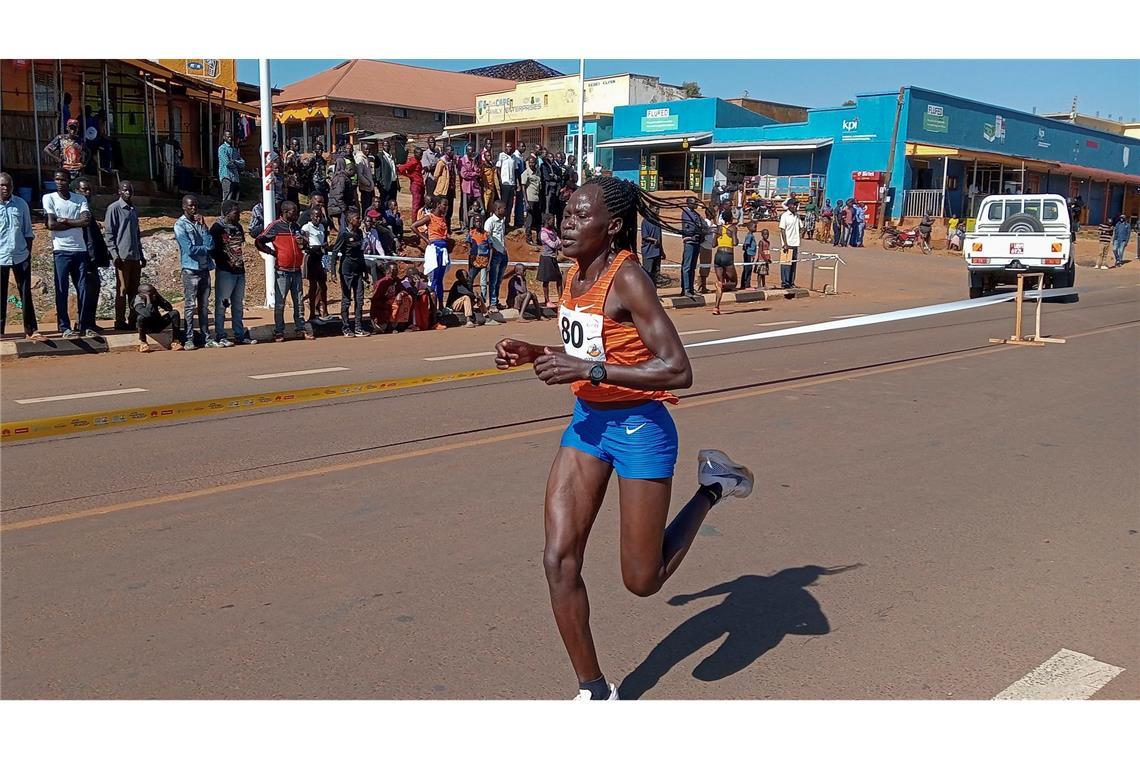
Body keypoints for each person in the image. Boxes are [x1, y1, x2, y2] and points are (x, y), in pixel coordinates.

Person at [493, 176, 754, 701]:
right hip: (589, 424)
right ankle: (594, 691)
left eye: (579, 215)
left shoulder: (628, 277)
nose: (566, 222)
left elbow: (678, 370)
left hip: (640, 428)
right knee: (557, 559)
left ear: (610, 226)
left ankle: (714, 488)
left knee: (643, 579)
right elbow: (593, 349)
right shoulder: (573, 275)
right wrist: (535, 351)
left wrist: (588, 370)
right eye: (565, 212)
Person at [44, 170, 94, 338]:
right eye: (57, 179)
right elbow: (51, 224)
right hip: (61, 250)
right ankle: (64, 326)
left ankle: (85, 325)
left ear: (68, 181)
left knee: (83, 289)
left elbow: (86, 221)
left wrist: (64, 221)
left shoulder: (79, 199)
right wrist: (75, 223)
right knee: (61, 289)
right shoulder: (49, 198)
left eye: (63, 179)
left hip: (80, 250)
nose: (59, 182)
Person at [256, 200, 313, 342]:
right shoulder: (275, 226)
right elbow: (259, 240)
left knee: (299, 302)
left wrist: (303, 242)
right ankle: (279, 330)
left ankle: (300, 328)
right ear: (286, 212)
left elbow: (305, 244)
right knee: (280, 302)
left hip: (296, 270)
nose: (296, 214)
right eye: (294, 212)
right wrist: (271, 252)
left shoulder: (296, 226)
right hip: (282, 271)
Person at [0, 172, 44, 341]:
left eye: (8, 185)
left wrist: (28, 254)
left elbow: (28, 231)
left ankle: (31, 330)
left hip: (20, 255)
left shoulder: (21, 204)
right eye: (2, 185)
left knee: (25, 293)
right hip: (1, 256)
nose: (5, 188)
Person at [172, 194, 216, 349]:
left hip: (204, 269)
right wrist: (205, 248)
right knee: (190, 305)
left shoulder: (199, 223)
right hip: (191, 269)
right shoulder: (180, 225)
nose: (193, 208)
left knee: (204, 306)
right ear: (183, 206)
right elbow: (189, 249)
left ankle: (206, 337)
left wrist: (204, 227)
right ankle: (189, 338)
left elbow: (211, 244)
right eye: (190, 205)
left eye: (195, 205)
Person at [209, 200, 253, 346]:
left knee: (238, 304)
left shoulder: (238, 227)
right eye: (236, 212)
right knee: (222, 304)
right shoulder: (217, 228)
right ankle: (220, 335)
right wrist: (225, 262)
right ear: (227, 212)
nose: (239, 215)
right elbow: (212, 250)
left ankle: (239, 334)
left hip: (240, 270)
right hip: (225, 272)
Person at [104, 181, 144, 331]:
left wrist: (141, 254)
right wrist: (114, 254)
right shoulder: (114, 208)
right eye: (125, 190)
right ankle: (119, 321)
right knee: (122, 289)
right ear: (119, 191)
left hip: (135, 256)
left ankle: (133, 320)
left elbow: (137, 234)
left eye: (130, 190)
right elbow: (109, 234)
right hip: (122, 257)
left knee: (135, 291)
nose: (128, 193)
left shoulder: (133, 209)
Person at [76, 179, 110, 333]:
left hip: (93, 259)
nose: (87, 193)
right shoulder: (78, 211)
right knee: (86, 291)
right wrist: (90, 258)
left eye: (89, 189)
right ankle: (84, 324)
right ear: (77, 191)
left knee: (94, 289)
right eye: (84, 190)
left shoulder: (88, 210)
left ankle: (90, 322)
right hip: (85, 259)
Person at [332, 209, 368, 337]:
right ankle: (346, 327)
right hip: (346, 270)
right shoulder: (343, 234)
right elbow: (335, 252)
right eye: (357, 218)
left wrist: (365, 271)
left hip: (358, 270)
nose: (360, 220)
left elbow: (361, 253)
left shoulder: (359, 233)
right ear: (350, 220)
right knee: (346, 300)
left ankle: (358, 327)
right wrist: (333, 272)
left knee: (359, 299)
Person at [412, 196, 451, 305]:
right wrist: (426, 239)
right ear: (438, 204)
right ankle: (429, 305)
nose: (446, 207)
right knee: (433, 278)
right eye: (444, 205)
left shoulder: (443, 218)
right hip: (435, 250)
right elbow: (414, 226)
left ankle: (441, 305)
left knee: (440, 279)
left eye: (447, 205)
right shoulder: (430, 217)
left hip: (443, 249)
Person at [133, 282, 182, 352]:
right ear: (142, 294)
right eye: (150, 293)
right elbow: (147, 314)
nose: (153, 294)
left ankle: (175, 342)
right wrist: (148, 300)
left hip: (157, 324)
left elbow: (169, 308)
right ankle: (143, 343)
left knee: (175, 313)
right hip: (146, 328)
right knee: (140, 318)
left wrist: (158, 296)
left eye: (153, 291)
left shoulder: (154, 296)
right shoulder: (137, 301)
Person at [301, 205, 331, 322]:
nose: (318, 219)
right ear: (311, 216)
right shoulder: (307, 227)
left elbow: (323, 240)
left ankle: (325, 312)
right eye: (316, 216)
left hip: (321, 257)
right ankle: (312, 314)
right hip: (311, 257)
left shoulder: (322, 226)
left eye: (319, 216)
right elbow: (301, 237)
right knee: (313, 286)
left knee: (323, 286)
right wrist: (309, 244)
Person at [483, 199, 509, 310]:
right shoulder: (490, 221)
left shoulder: (502, 221)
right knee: (493, 280)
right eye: (504, 208)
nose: (506, 210)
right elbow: (487, 238)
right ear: (498, 209)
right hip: (495, 255)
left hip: (503, 253)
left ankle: (496, 300)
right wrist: (493, 250)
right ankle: (492, 303)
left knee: (499, 280)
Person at [712, 210, 738, 315]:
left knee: (719, 282)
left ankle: (716, 307)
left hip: (718, 255)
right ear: (731, 218)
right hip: (728, 255)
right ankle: (723, 285)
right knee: (734, 283)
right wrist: (733, 236)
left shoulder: (719, 228)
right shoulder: (732, 228)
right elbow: (735, 243)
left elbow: (713, 244)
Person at [466, 210, 491, 304]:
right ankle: (471, 299)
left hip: (484, 261)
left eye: (480, 221)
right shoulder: (471, 233)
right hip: (474, 261)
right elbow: (469, 245)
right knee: (470, 280)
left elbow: (491, 248)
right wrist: (470, 256)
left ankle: (483, 302)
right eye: (476, 221)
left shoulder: (486, 234)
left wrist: (489, 262)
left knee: (483, 283)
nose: (478, 223)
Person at [680, 197, 703, 298]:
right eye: (695, 203)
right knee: (687, 267)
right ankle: (686, 289)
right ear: (689, 204)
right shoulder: (686, 213)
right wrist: (692, 235)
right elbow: (688, 228)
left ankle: (690, 288)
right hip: (689, 241)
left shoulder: (696, 214)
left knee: (693, 267)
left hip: (696, 242)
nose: (696, 205)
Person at [778, 198, 803, 289]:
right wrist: (785, 243)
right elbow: (782, 230)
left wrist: (799, 235)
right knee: (785, 264)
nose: (795, 206)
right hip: (787, 244)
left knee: (793, 264)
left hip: (795, 243)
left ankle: (791, 282)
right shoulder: (784, 216)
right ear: (789, 206)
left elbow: (801, 227)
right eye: (794, 205)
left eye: (796, 205)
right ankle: (785, 282)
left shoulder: (797, 216)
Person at [520, 155, 544, 246]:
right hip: (530, 199)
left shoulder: (538, 172)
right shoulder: (526, 173)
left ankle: (539, 238)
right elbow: (523, 188)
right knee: (529, 220)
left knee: (538, 220)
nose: (531, 164)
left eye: (533, 162)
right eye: (530, 162)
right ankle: (528, 238)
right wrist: (526, 202)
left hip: (537, 198)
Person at [398, 147, 426, 221]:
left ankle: (419, 221)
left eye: (421, 155)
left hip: (420, 184)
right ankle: (414, 223)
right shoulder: (413, 162)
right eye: (419, 155)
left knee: (421, 204)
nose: (421, 156)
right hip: (415, 185)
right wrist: (409, 176)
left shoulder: (418, 162)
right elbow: (401, 168)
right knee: (416, 205)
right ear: (415, 154)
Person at [496, 141, 520, 229]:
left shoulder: (514, 157)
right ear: (505, 147)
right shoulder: (501, 155)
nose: (509, 148)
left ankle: (507, 222)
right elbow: (498, 169)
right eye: (508, 146)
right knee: (503, 204)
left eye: (511, 147)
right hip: (504, 184)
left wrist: (517, 183)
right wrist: (500, 181)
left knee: (510, 205)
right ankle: (501, 222)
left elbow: (516, 170)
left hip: (512, 184)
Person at [433, 147, 457, 230]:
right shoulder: (442, 162)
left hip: (451, 189)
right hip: (444, 190)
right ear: (445, 151)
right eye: (449, 150)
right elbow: (436, 175)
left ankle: (448, 228)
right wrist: (441, 183)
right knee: (443, 209)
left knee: (450, 209)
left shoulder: (452, 161)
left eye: (452, 150)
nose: (451, 151)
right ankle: (442, 227)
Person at [458, 143, 481, 230]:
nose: (472, 152)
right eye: (470, 150)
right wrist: (474, 174)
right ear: (467, 151)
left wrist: (474, 163)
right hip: (466, 187)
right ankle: (465, 225)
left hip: (474, 187)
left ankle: (473, 224)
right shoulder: (463, 160)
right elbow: (464, 174)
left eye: (473, 150)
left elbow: (478, 171)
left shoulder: (473, 160)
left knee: (475, 206)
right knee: (465, 207)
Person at [217, 130, 245, 202]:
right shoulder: (222, 148)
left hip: (235, 177)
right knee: (227, 197)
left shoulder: (234, 149)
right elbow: (227, 163)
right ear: (224, 137)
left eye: (230, 137)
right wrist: (236, 163)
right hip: (226, 175)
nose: (230, 138)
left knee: (235, 198)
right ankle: (224, 213)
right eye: (228, 136)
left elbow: (242, 163)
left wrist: (235, 162)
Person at [639, 214, 663, 287]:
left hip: (657, 251)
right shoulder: (645, 221)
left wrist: (662, 251)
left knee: (656, 273)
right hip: (648, 251)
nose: (657, 211)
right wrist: (654, 240)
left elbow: (660, 238)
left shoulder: (657, 221)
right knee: (647, 273)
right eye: (655, 209)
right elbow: (645, 236)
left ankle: (654, 292)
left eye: (658, 209)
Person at [354, 141, 376, 213]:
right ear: (362, 149)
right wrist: (368, 183)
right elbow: (360, 175)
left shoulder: (366, 158)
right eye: (366, 149)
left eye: (369, 149)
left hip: (369, 188)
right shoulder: (360, 159)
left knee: (371, 206)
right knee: (366, 207)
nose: (368, 151)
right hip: (365, 188)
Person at [699, 205, 717, 295]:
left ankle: (703, 285)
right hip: (705, 246)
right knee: (704, 266)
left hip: (708, 246)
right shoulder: (706, 223)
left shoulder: (710, 223)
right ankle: (703, 286)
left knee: (707, 266)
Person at [377, 140, 399, 208]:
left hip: (393, 183)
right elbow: (378, 171)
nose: (387, 147)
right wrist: (381, 183)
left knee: (393, 201)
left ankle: (392, 216)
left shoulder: (392, 156)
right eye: (385, 145)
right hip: (385, 184)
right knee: (385, 201)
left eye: (388, 146)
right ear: (382, 146)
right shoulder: (379, 156)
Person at [283, 138, 303, 205]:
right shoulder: (290, 154)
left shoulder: (296, 154)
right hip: (290, 182)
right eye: (296, 145)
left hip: (296, 181)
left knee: (296, 200)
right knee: (292, 200)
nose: (298, 146)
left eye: (298, 145)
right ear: (291, 145)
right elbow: (286, 167)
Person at [479, 143, 498, 212]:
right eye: (487, 156)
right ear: (484, 156)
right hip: (486, 189)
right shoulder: (483, 166)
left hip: (492, 188)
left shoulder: (492, 165)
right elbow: (480, 177)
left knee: (490, 207)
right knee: (485, 207)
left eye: (490, 155)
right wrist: (483, 187)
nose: (489, 157)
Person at [740, 221, 757, 290]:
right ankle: (746, 284)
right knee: (747, 269)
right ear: (749, 228)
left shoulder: (751, 235)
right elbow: (745, 245)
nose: (756, 228)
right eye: (754, 227)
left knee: (748, 269)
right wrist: (748, 253)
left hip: (750, 254)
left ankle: (746, 284)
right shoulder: (749, 236)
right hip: (748, 255)